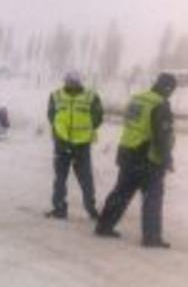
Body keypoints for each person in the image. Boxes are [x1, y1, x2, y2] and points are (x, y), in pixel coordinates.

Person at [95, 73, 178, 248]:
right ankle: (151, 237)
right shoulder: (159, 104)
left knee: (121, 191)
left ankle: (104, 226)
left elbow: (131, 123)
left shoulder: (138, 98)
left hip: (127, 151)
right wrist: (166, 159)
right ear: (168, 88)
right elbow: (161, 136)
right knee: (152, 198)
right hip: (147, 156)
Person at [45, 71, 103, 220]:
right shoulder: (56, 95)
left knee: (86, 179)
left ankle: (91, 209)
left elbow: (98, 117)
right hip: (62, 143)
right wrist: (60, 131)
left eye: (74, 82)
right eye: (69, 81)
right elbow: (51, 115)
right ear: (65, 81)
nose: (71, 84)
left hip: (82, 145)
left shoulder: (91, 96)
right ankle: (59, 209)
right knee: (60, 179)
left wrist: (85, 129)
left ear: (79, 82)